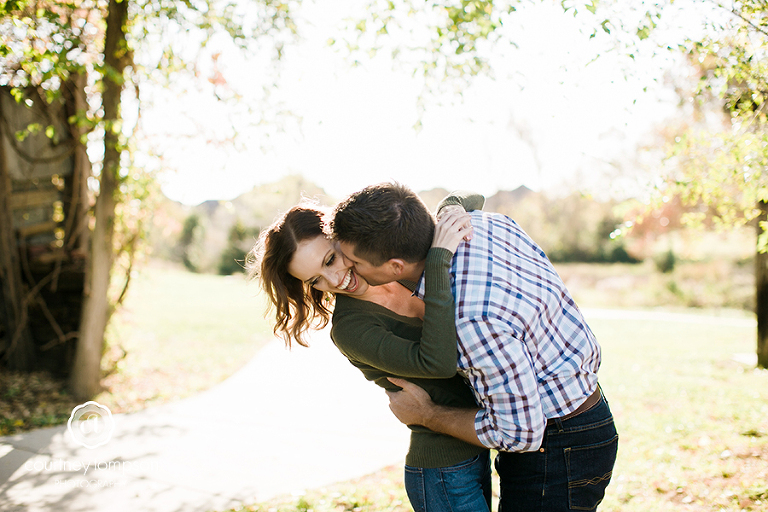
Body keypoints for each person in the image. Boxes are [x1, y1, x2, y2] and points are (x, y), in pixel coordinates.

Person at [331, 183, 619, 512]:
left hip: (556, 448)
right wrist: (452, 205)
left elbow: (519, 434)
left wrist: (427, 414)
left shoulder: (469, 319)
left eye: (354, 261)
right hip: (588, 413)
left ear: (395, 267)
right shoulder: (484, 224)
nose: (346, 268)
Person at [247, 193, 493, 512]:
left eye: (331, 260)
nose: (335, 280)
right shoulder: (350, 328)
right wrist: (438, 259)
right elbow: (439, 362)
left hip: (478, 443)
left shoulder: (393, 264)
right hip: (443, 470)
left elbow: (471, 197)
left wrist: (449, 211)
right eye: (316, 280)